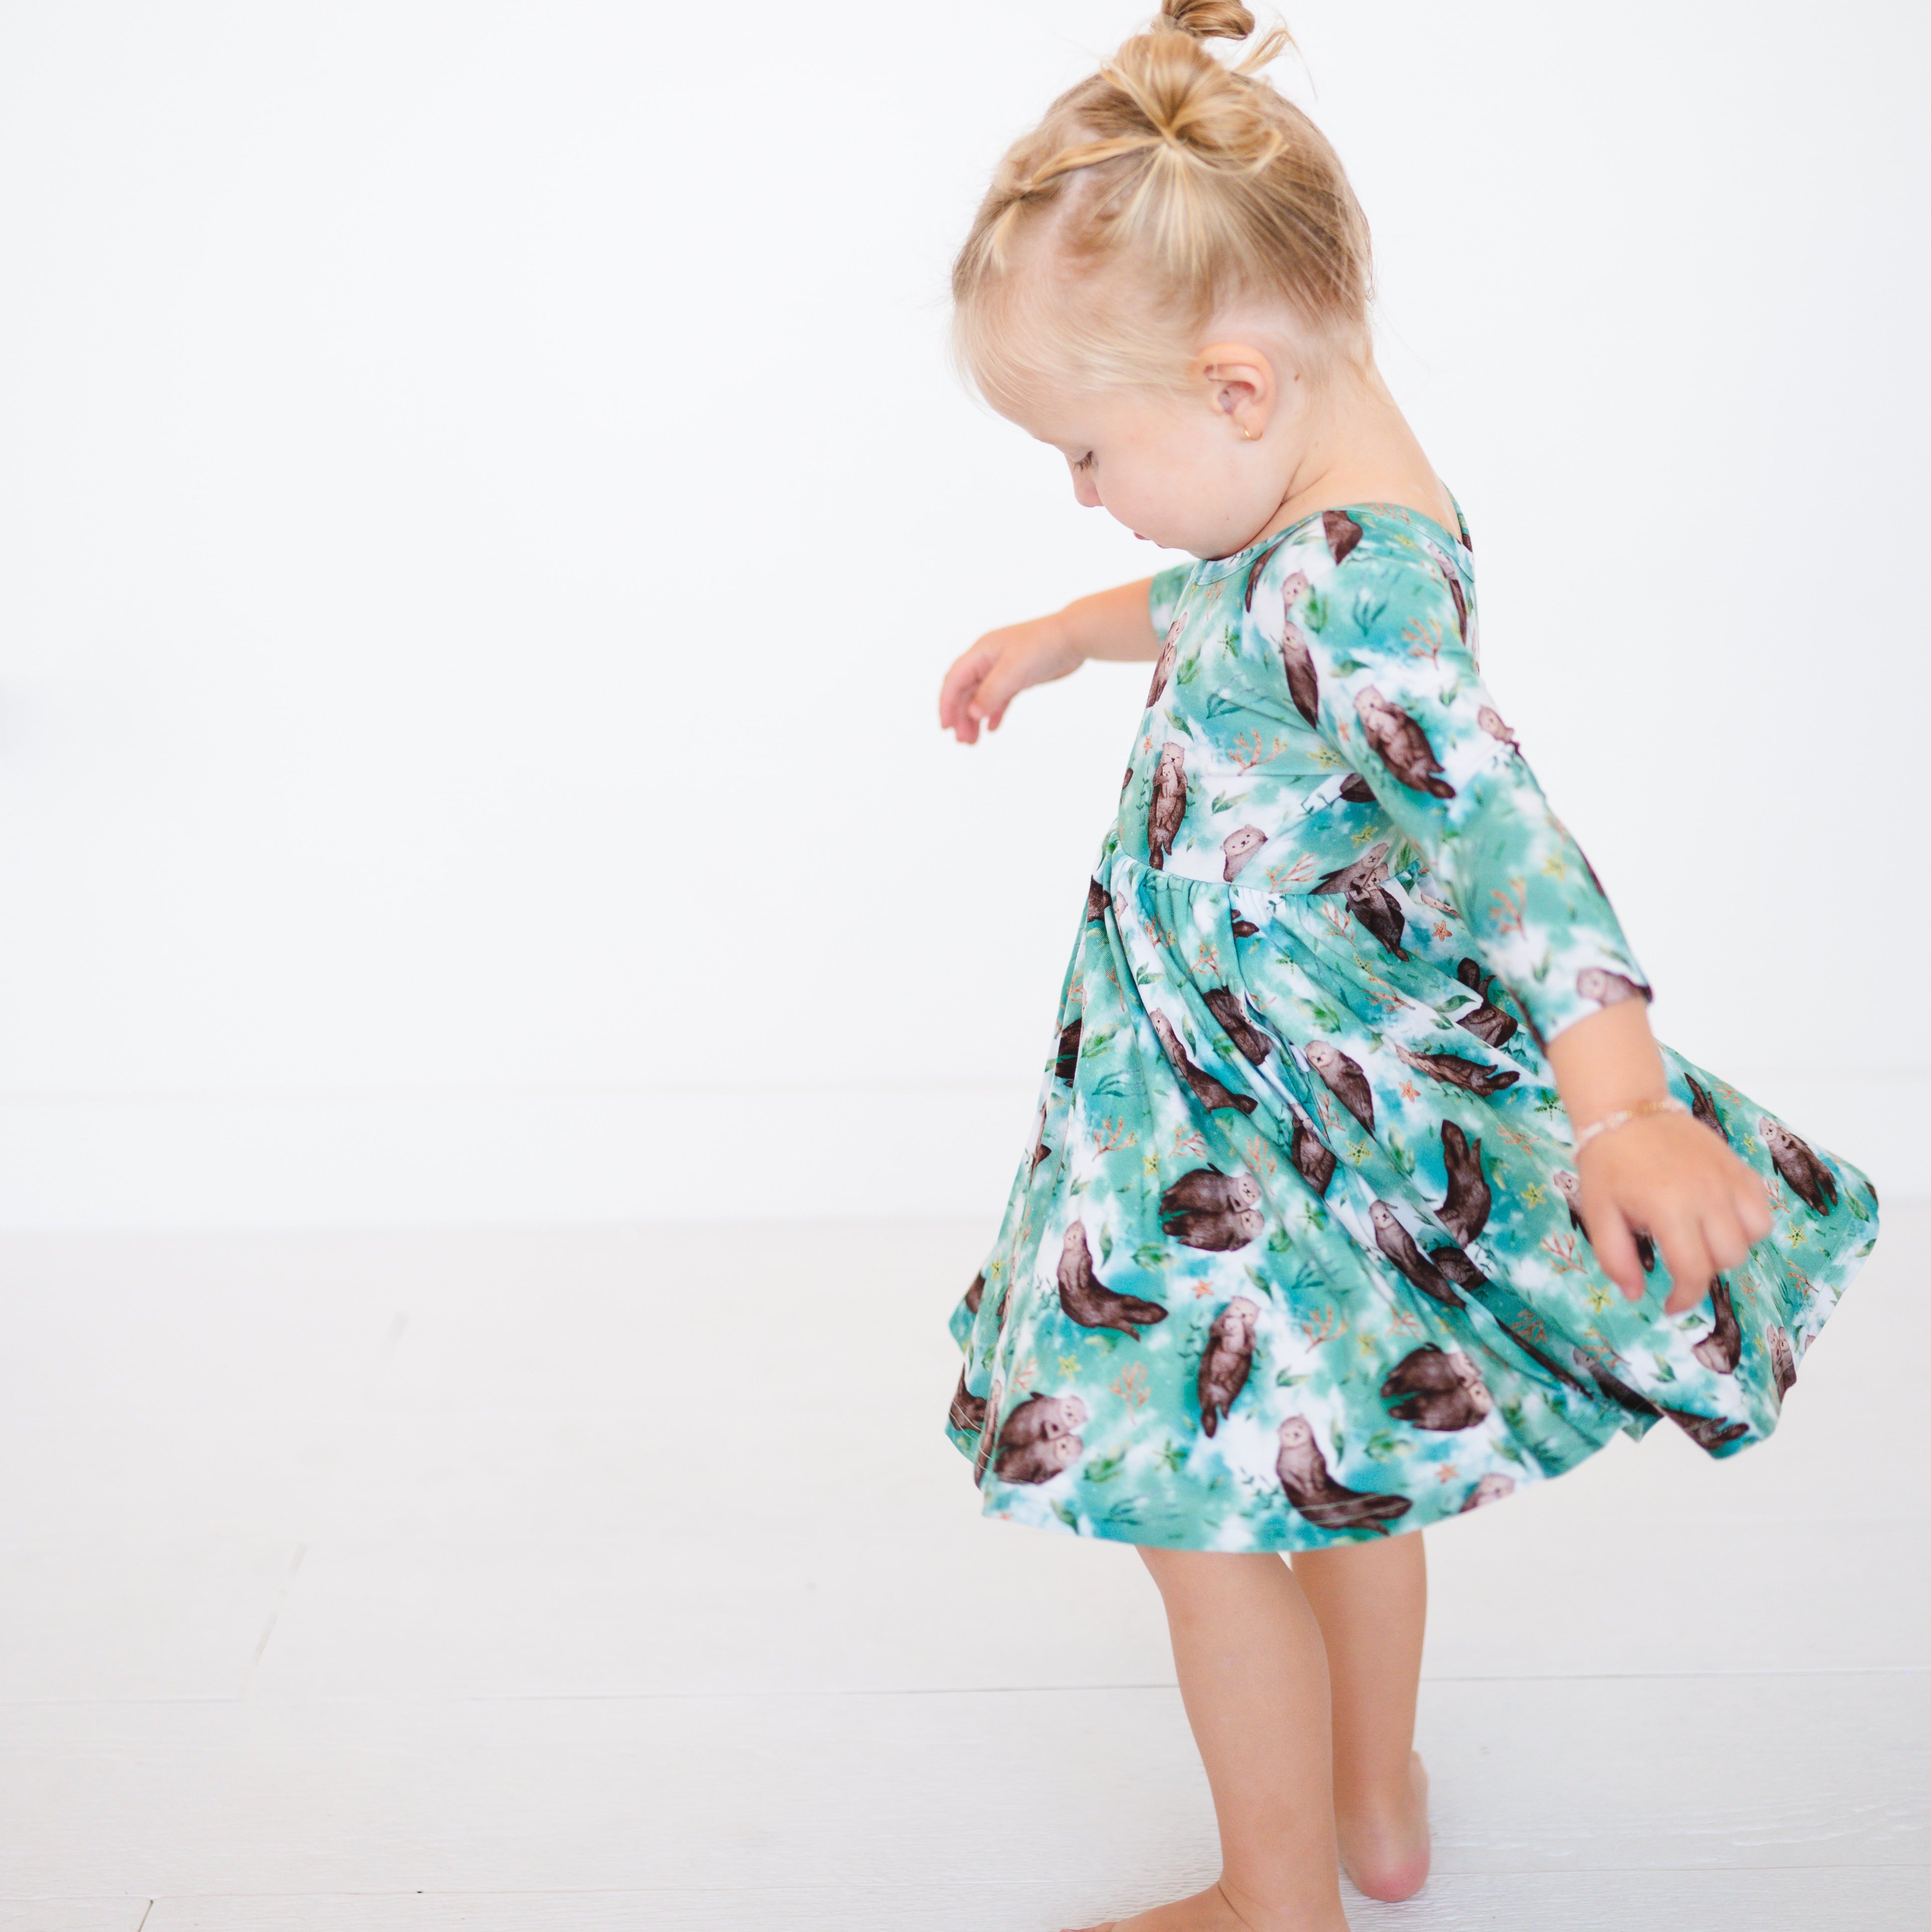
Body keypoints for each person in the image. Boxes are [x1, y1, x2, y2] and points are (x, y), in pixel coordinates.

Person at [935, 7, 1880, 1929]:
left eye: (1086, 449)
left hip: (1250, 1126)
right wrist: (1062, 631)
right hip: (1289, 1116)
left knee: (1195, 1525)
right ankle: (1373, 1801)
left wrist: (1615, 1098)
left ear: (1230, 389)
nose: (1084, 491)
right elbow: (1204, 595)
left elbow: (1505, 835)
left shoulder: (1358, 593)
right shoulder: (1328, 527)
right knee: (1343, 1462)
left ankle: (1269, 1900)